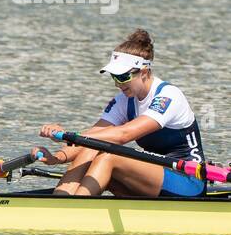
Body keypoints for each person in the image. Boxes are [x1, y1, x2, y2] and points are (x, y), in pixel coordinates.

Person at [37, 29, 205, 197]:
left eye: (123, 77)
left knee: (108, 154)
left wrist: (67, 135)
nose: (118, 84)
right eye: (114, 77)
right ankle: (61, 200)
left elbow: (123, 135)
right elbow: (92, 137)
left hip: (188, 181)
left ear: (144, 72)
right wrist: (56, 157)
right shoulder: (124, 100)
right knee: (91, 148)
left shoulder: (168, 96)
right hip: (150, 177)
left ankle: (76, 209)